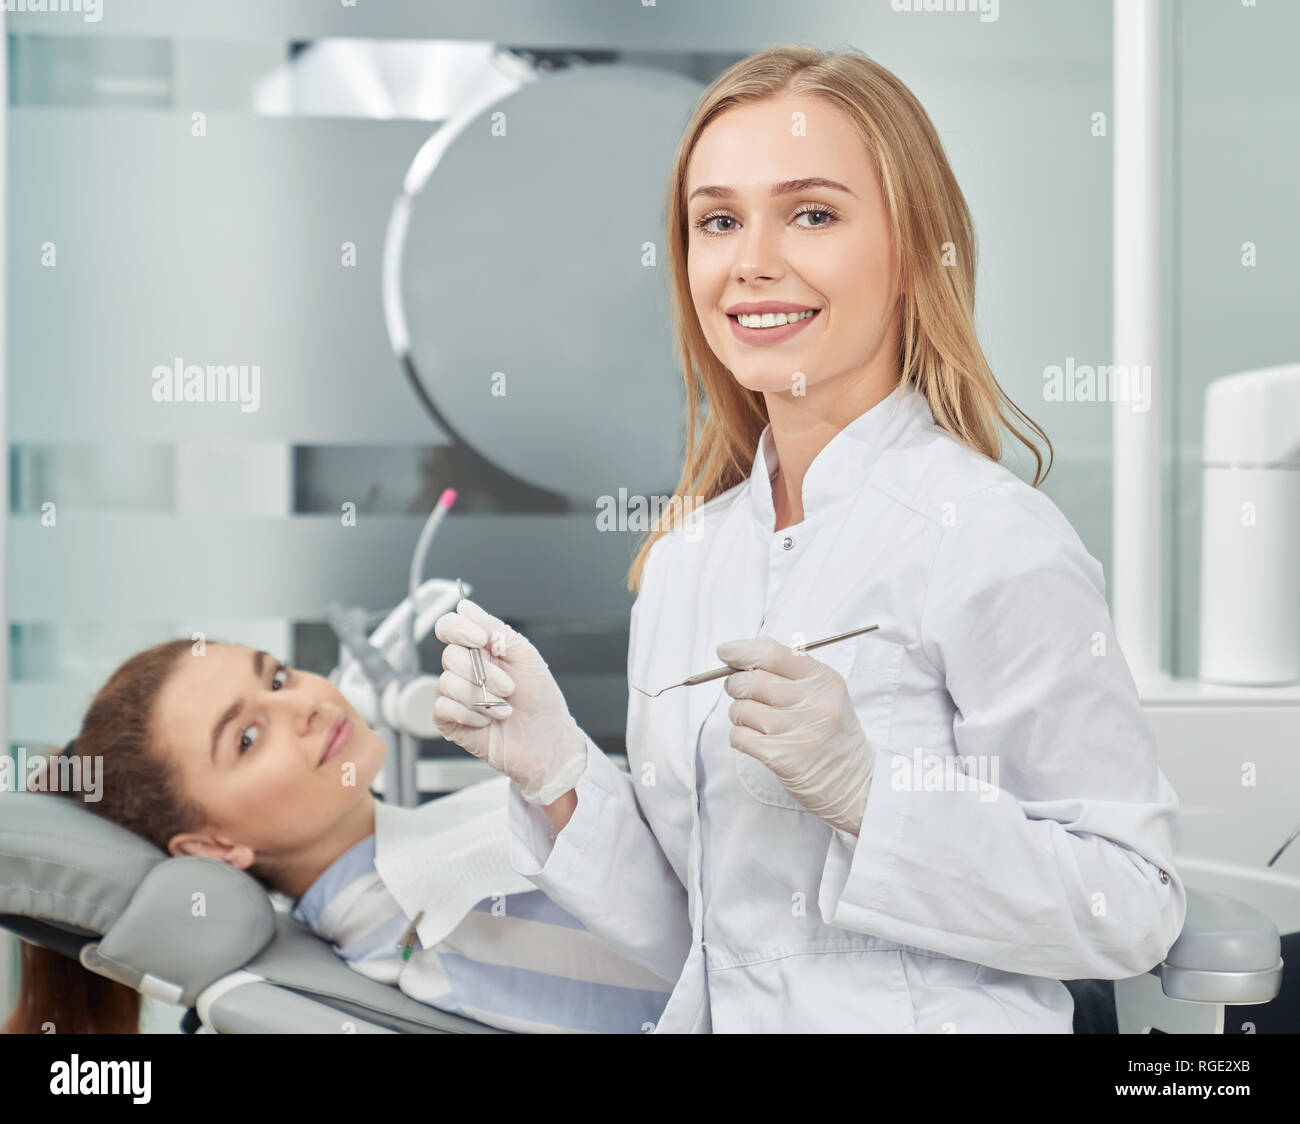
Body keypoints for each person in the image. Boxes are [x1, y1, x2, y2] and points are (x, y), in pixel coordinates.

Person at [431, 44, 1187, 1033]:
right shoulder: (684, 562)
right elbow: (705, 941)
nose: (751, 261)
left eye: (814, 213)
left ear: (916, 254)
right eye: (718, 221)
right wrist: (558, 772)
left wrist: (873, 796)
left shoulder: (991, 538)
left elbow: (1132, 904)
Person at [2, 638, 671, 1034]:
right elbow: (702, 987)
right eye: (246, 738)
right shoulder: (433, 930)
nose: (304, 706)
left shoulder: (419, 880)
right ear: (213, 848)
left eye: (278, 677)